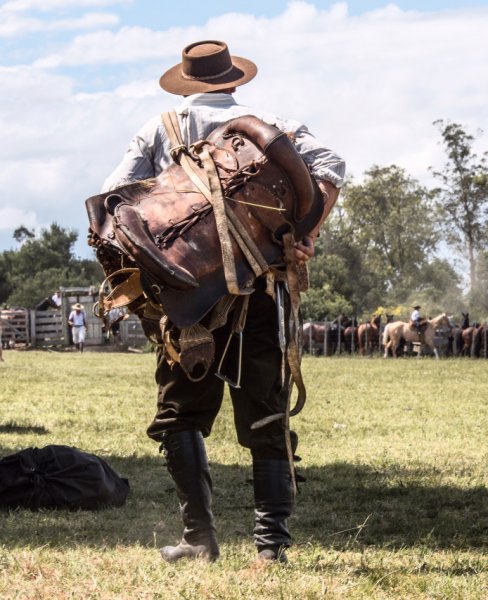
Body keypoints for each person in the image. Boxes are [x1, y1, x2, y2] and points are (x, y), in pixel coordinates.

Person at [101, 40, 345, 564]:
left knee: (181, 415)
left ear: (188, 84)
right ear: (235, 80)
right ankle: (270, 547)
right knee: (266, 410)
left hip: (188, 299)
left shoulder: (160, 127)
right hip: (261, 288)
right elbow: (332, 164)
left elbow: (114, 195)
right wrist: (306, 234)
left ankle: (199, 538)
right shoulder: (271, 122)